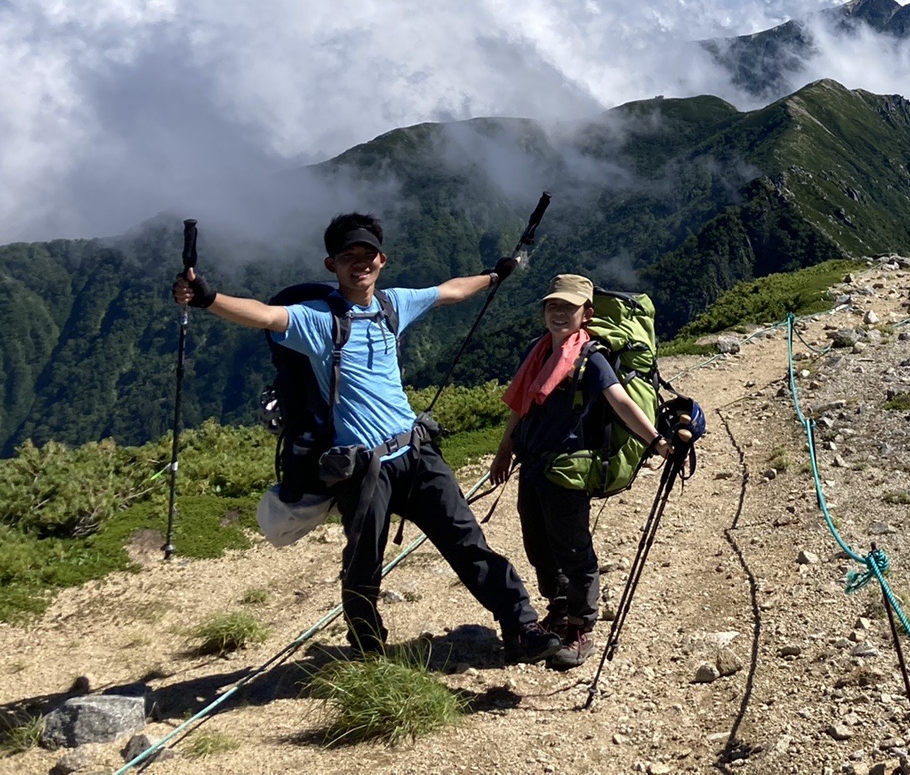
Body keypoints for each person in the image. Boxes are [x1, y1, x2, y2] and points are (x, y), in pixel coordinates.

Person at [174, 212, 559, 663]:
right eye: (347, 256)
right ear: (330, 265)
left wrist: (494, 275)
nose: (360, 263)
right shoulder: (317, 320)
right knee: (363, 565)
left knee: (467, 541)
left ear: (382, 259)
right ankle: (367, 646)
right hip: (363, 468)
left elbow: (449, 292)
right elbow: (263, 315)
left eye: (367, 255)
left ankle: (521, 624)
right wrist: (207, 297)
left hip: (416, 452)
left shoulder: (394, 304)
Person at [490, 274, 677, 671]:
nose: (559, 313)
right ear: (544, 311)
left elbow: (621, 402)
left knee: (572, 547)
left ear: (586, 314)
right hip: (533, 463)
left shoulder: (591, 358)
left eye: (568, 307)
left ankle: (580, 628)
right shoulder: (536, 352)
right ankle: (558, 609)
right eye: (552, 305)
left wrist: (656, 440)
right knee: (538, 543)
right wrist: (504, 449)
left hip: (569, 469)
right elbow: (521, 406)